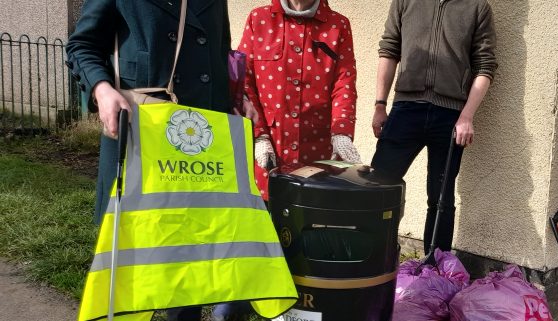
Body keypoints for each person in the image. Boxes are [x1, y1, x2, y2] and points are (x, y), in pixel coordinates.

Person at [66, 1, 233, 320]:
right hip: (139, 138)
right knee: (127, 267)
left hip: (195, 148)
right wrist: (102, 90)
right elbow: (83, 44)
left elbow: (220, 55)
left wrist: (234, 103)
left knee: (189, 266)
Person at [370, 0, 497, 253]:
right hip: (406, 109)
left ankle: (435, 268)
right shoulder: (405, 1)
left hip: (450, 115)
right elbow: (389, 50)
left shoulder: (477, 7)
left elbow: (485, 65)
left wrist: (467, 116)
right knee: (378, 187)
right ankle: (372, 256)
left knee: (441, 199)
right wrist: (380, 105)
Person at [239, 0, 361, 200]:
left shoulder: (338, 25)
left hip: (316, 153)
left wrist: (341, 132)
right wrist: (258, 135)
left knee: (311, 220)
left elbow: (344, 82)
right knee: (264, 223)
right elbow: (244, 81)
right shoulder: (259, 19)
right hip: (268, 152)